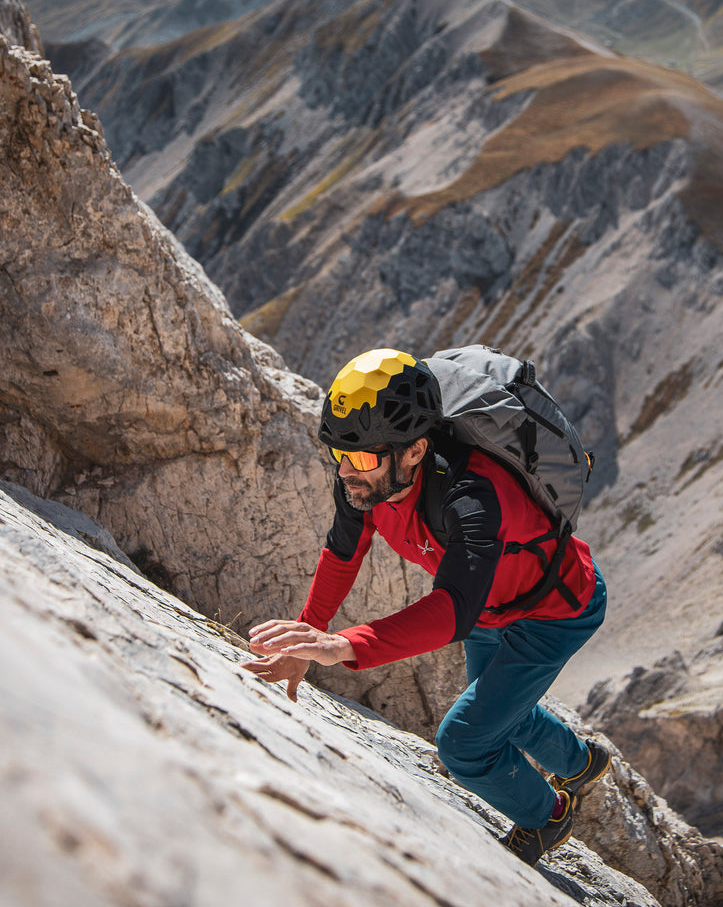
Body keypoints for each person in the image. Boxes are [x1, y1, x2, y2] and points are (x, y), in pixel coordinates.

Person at [242, 348, 610, 865]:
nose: (348, 471)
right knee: (498, 710)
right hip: (491, 604)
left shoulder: (473, 495)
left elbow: (453, 609)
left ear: (415, 451)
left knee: (464, 743)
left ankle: (547, 815)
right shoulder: (367, 477)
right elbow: (342, 553)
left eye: (364, 457)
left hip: (554, 613)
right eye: (338, 455)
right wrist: (307, 635)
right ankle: (581, 763)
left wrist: (343, 644)